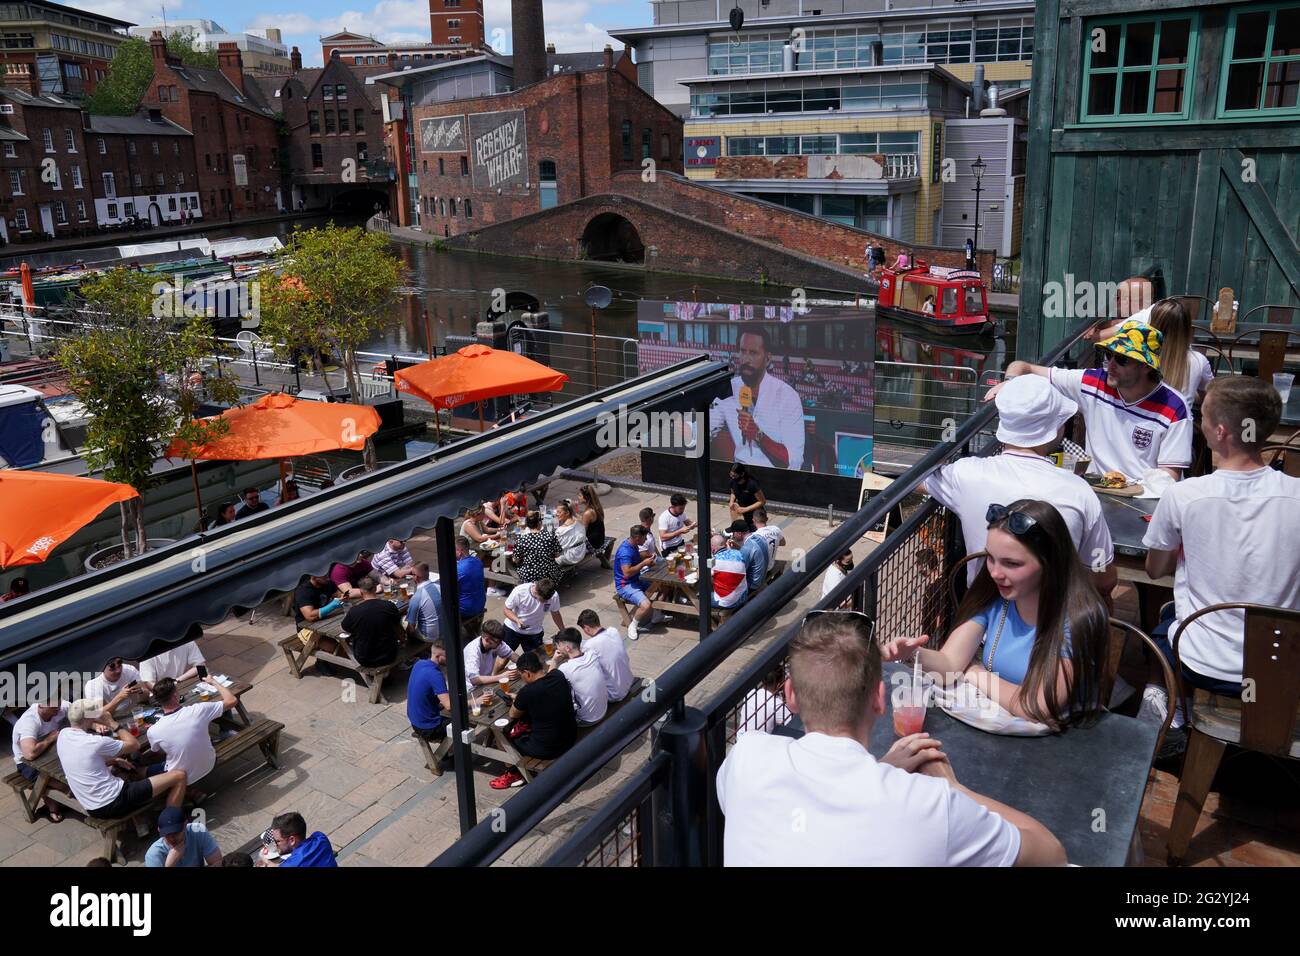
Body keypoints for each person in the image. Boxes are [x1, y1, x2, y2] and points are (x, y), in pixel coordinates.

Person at [716, 613, 1066, 866]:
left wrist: (881, 769)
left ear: (790, 695)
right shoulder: (930, 806)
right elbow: (1050, 854)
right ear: (881, 698)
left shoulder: (746, 758)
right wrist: (953, 789)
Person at [1140, 376, 1300, 755]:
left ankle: (1167, 718)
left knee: (1161, 631)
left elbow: (1154, 570)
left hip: (1205, 664)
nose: (1200, 425)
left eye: (1204, 418)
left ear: (1221, 431)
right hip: (1284, 666)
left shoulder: (1183, 495)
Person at [881, 499, 1110, 730]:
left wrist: (973, 672)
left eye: (1011, 563)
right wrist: (914, 653)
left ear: (1049, 563)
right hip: (1006, 727)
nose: (995, 573)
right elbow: (950, 664)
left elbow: (1038, 708)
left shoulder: (1080, 616)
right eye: (990, 558)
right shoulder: (995, 595)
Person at [924, 374, 1116, 595]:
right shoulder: (1079, 491)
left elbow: (920, 479)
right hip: (1051, 617)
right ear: (1058, 427)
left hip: (983, 615)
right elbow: (1103, 576)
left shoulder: (964, 474)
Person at [991, 320, 1192, 483]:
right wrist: (1010, 383)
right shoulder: (1093, 382)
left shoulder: (1174, 407)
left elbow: (1168, 478)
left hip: (1143, 503)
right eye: (1109, 355)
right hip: (1097, 490)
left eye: (1122, 360)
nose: (1111, 365)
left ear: (1147, 367)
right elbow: (1022, 366)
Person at [57, 699, 188, 821]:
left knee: (129, 770)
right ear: (88, 718)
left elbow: (84, 762)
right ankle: (171, 822)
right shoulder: (94, 742)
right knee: (179, 776)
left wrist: (114, 761)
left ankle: (157, 803)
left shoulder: (63, 735)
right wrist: (112, 724)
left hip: (91, 806)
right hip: (114, 801)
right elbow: (134, 745)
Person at [1085, 298, 1212, 410]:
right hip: (1179, 425)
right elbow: (1208, 395)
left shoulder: (1140, 359)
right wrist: (1188, 391)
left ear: (1152, 323)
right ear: (1187, 328)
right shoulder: (1199, 361)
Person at [711, 328, 806, 470]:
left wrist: (757, 434)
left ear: (767, 358)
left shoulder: (787, 396)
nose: (746, 359)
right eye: (743, 351)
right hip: (739, 477)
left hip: (775, 479)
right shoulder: (729, 388)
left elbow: (793, 462)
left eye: (753, 353)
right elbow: (704, 428)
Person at [493, 651, 577, 789]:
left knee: (500, 735)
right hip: (569, 737)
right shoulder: (558, 676)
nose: (522, 678)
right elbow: (548, 680)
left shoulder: (528, 691)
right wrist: (520, 698)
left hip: (548, 748)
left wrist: (518, 700)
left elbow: (513, 714)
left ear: (527, 673)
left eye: (521, 675)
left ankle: (513, 773)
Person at [146, 675, 238, 790]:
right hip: (209, 763)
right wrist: (213, 682)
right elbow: (232, 700)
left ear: (158, 701)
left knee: (142, 769)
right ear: (175, 695)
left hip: (181, 777)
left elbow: (157, 752)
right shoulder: (199, 710)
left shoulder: (153, 730)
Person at [11, 697, 70, 822]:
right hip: (27, 763)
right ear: (41, 705)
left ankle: (56, 799)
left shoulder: (59, 707)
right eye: (54, 707)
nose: (58, 709)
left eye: (59, 704)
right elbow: (29, 754)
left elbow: (83, 712)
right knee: (65, 784)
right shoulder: (30, 721)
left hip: (49, 754)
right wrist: (50, 738)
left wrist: (95, 723)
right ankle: (52, 802)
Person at [340, 576, 404, 667]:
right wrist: (403, 641)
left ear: (361, 592)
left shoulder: (354, 611)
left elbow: (344, 628)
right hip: (389, 655)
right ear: (375, 589)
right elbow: (398, 628)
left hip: (365, 658)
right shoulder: (389, 606)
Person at [550, 627, 608, 725]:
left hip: (587, 720)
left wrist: (554, 661)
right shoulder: (591, 654)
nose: (557, 648)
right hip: (604, 709)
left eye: (558, 645)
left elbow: (547, 683)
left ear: (567, 648)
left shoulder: (565, 669)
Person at [576, 609, 634, 702]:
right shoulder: (613, 631)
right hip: (629, 682)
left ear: (586, 628)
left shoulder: (590, 645)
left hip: (614, 694)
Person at [407, 639, 451, 759]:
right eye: (448, 656)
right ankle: (447, 753)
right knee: (465, 720)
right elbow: (449, 706)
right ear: (438, 656)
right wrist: (475, 702)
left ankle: (449, 750)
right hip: (428, 727)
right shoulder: (435, 675)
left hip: (415, 721)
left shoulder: (419, 664)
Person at [614, 526, 657, 641]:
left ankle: (657, 614)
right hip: (625, 585)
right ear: (637, 538)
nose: (646, 541)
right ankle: (633, 625)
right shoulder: (625, 552)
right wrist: (644, 563)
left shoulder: (633, 545)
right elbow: (627, 572)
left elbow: (636, 557)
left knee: (664, 586)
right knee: (646, 605)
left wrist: (648, 559)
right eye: (644, 538)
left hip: (637, 580)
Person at [145, 807, 222, 867]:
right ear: (159, 830)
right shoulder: (153, 855)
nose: (172, 838)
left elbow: (217, 862)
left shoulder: (198, 831)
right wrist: (169, 865)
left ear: (185, 824)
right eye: (167, 834)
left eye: (176, 833)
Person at [502, 578, 563, 653]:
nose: (546, 602)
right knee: (502, 659)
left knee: (535, 660)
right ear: (536, 592)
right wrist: (517, 620)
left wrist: (563, 630)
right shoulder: (520, 591)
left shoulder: (553, 596)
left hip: (534, 633)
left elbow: (555, 613)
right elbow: (506, 609)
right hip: (512, 629)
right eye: (543, 600)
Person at [261, 812, 336, 867]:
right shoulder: (320, 838)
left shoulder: (291, 865)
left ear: (292, 840)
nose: (275, 844)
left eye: (278, 841)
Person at [463, 619, 515, 692]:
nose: (500, 644)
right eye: (498, 642)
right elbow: (474, 680)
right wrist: (500, 677)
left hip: (485, 683)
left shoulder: (496, 643)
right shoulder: (473, 651)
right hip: (471, 690)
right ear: (487, 640)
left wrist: (523, 665)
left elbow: (511, 654)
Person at [512, 511, 565, 584]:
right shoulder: (550, 536)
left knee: (517, 568)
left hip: (530, 575)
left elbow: (516, 560)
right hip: (549, 573)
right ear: (539, 523)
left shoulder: (522, 539)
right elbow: (557, 554)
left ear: (527, 524)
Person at [84, 657, 151, 712]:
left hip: (132, 712)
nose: (118, 670)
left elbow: (145, 697)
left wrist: (141, 691)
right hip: (110, 719)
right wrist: (119, 698)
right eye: (112, 668)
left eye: (119, 665)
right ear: (102, 669)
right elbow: (99, 715)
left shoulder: (129, 670)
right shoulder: (93, 684)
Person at [454, 535, 487, 637]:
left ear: (459, 551)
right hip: (481, 603)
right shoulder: (478, 561)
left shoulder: (458, 569)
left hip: (466, 609)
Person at [730, 519, 770, 594]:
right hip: (762, 576)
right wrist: (739, 548)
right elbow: (752, 553)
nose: (732, 536)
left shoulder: (747, 548)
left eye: (733, 533)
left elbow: (738, 570)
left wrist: (729, 552)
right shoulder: (759, 538)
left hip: (753, 585)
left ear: (739, 533)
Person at [710, 532, 748, 609]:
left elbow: (700, 575)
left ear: (713, 548)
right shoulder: (738, 553)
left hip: (728, 602)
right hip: (743, 595)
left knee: (700, 595)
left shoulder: (714, 562)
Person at [405, 562, 441, 642]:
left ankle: (410, 647)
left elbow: (411, 629)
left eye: (412, 574)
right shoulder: (440, 587)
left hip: (430, 637)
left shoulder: (416, 597)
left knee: (402, 620)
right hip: (446, 630)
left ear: (416, 577)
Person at [139, 640, 205, 683]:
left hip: (185, 682)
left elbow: (200, 666)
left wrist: (176, 681)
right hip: (162, 693)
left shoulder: (186, 639)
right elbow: (148, 683)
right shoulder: (147, 653)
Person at [728, 464, 767, 531]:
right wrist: (731, 501)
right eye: (731, 475)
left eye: (734, 475)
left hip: (755, 514)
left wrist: (746, 509)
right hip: (743, 512)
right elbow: (733, 492)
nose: (732, 477)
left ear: (742, 474)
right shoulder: (732, 482)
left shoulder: (752, 484)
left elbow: (762, 501)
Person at [577, 483, 608, 565]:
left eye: (580, 495)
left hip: (594, 544)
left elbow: (582, 533)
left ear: (585, 498)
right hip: (600, 538)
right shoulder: (596, 506)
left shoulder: (588, 513)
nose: (578, 497)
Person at [554, 501, 589, 569]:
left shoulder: (561, 530)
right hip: (582, 551)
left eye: (559, 512)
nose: (556, 514)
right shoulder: (579, 521)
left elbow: (556, 549)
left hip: (571, 557)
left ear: (567, 513)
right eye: (556, 511)